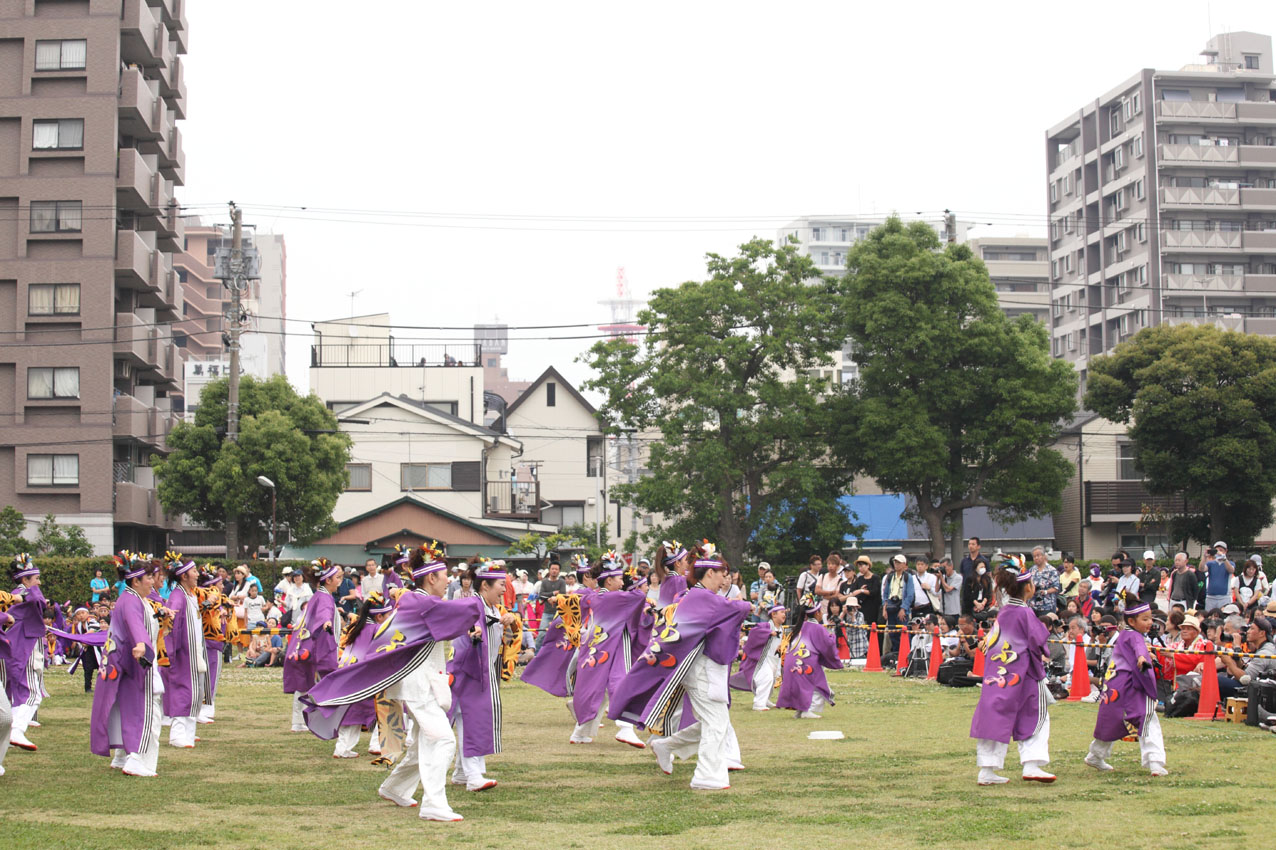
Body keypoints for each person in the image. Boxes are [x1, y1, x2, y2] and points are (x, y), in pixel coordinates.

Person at [302, 542, 483, 822]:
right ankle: (434, 803)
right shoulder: (418, 601)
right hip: (418, 685)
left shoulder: (419, 601)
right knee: (444, 740)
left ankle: (395, 788)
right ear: (431, 577)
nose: (449, 579)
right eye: (445, 574)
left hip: (423, 682)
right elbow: (457, 614)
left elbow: (447, 623)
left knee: (425, 741)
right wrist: (483, 600)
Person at [610, 549, 751, 790]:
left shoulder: (695, 595)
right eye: (721, 575)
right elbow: (738, 609)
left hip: (697, 667)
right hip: (700, 670)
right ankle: (707, 775)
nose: (725, 581)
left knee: (717, 721)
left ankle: (667, 745)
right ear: (709, 574)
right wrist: (745, 603)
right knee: (716, 722)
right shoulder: (703, 597)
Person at [969, 558, 1054, 785]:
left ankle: (987, 769)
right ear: (1028, 587)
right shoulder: (1025, 613)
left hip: (999, 674)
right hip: (1024, 674)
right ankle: (1032, 764)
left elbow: (989, 643)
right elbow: (1039, 641)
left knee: (994, 716)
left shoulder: (1004, 612)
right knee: (1036, 716)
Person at [448, 560, 517, 792]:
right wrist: (474, 631)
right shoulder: (473, 604)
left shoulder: (493, 608)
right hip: (465, 674)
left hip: (478, 674)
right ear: (485, 585)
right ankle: (473, 775)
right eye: (500, 584)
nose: (504, 589)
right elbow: (469, 625)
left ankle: (461, 773)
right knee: (470, 720)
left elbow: (503, 637)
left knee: (469, 720)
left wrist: (509, 621)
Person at [89, 554, 160, 777]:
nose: (153, 581)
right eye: (149, 577)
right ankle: (138, 758)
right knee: (147, 709)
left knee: (124, 707)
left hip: (123, 662)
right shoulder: (131, 601)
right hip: (136, 662)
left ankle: (123, 756)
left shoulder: (131, 597)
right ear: (136, 581)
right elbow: (135, 624)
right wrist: (141, 644)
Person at [567, 559, 647, 747]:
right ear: (609, 581)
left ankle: (580, 732)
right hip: (613, 647)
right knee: (622, 682)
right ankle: (626, 728)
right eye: (619, 579)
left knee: (599, 691)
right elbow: (639, 596)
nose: (622, 583)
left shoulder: (597, 596)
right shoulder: (615, 597)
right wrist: (633, 583)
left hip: (598, 648)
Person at [1086, 593, 1167, 776]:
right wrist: (1142, 657)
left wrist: (1146, 655)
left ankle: (1095, 755)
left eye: (1150, 619)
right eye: (1145, 619)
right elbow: (1138, 650)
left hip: (1115, 686)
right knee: (1147, 719)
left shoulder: (1124, 635)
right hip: (1132, 686)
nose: (1149, 623)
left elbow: (1135, 651)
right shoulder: (1136, 637)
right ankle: (1154, 761)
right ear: (1131, 621)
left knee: (1112, 721)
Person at [282, 559, 343, 733]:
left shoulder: (319, 596)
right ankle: (318, 721)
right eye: (337, 578)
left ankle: (299, 721)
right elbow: (324, 615)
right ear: (328, 581)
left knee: (305, 685)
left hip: (309, 646)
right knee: (320, 685)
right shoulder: (323, 597)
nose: (339, 581)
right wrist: (326, 623)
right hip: (320, 648)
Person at [330, 593, 392, 759]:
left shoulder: (357, 627)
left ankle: (342, 748)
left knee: (351, 713)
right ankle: (376, 744)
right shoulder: (378, 630)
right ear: (379, 616)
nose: (390, 617)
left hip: (347, 675)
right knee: (383, 708)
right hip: (365, 677)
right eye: (388, 615)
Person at [160, 554, 209, 749]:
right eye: (194, 571)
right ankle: (177, 733)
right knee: (183, 691)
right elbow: (170, 626)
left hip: (194, 650)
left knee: (195, 692)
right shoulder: (177, 596)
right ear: (183, 576)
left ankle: (188, 732)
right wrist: (172, 652)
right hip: (182, 653)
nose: (197, 575)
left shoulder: (191, 594)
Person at [5, 554, 46, 751]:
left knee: (14, 692)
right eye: (35, 578)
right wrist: (33, 589)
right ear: (25, 579)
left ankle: (10, 732)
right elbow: (41, 601)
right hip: (24, 645)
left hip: (19, 643)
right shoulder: (25, 593)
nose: (38, 582)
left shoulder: (19, 594)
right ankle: (17, 730)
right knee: (31, 693)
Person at [776, 593, 840, 719]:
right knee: (819, 686)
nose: (821, 613)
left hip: (791, 662)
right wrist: (832, 635)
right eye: (820, 611)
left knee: (805, 685)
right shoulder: (817, 628)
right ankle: (807, 710)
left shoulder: (800, 626)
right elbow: (828, 644)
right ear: (816, 613)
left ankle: (800, 710)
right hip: (805, 663)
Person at [731, 604, 785, 710]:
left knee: (772, 679)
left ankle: (766, 699)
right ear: (773, 615)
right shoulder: (766, 626)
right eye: (782, 612)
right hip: (763, 659)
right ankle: (759, 703)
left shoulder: (782, 628)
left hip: (774, 658)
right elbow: (755, 632)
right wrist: (769, 633)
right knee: (767, 677)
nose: (784, 615)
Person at [533, 557, 567, 651]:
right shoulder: (544, 582)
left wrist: (555, 597)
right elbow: (541, 595)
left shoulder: (562, 582)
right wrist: (552, 594)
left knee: (562, 634)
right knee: (542, 633)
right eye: (552, 569)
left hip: (559, 612)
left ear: (559, 571)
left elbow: (563, 595)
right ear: (549, 570)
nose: (554, 571)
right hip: (547, 612)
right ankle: (537, 654)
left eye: (556, 569)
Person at [882, 555, 914, 653]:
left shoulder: (908, 577)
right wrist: (884, 608)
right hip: (891, 605)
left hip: (901, 605)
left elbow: (910, 595)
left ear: (904, 564)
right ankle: (896, 655)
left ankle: (905, 654)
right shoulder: (890, 576)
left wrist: (903, 609)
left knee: (903, 633)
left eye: (899, 563)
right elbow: (885, 593)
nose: (897, 564)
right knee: (892, 633)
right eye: (895, 562)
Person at [844, 556, 880, 627]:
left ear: (868, 566)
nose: (860, 569)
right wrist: (860, 591)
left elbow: (874, 592)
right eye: (858, 567)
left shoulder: (875, 578)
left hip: (873, 606)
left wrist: (862, 590)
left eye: (861, 566)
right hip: (862, 606)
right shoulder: (860, 579)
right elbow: (854, 591)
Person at [1029, 547, 1061, 617]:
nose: (1036, 558)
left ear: (1044, 556)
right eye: (1034, 556)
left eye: (1038, 555)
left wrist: (1046, 591)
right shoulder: (1031, 570)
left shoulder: (1052, 570)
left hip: (1047, 605)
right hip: (1033, 605)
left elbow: (1056, 587)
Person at [1203, 542, 1234, 613]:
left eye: (1221, 550)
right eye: (1217, 550)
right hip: (1211, 597)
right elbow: (1201, 569)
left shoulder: (1230, 563)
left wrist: (1224, 558)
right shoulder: (1210, 563)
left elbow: (1231, 570)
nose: (1219, 552)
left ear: (1225, 551)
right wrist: (1204, 557)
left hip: (1224, 597)